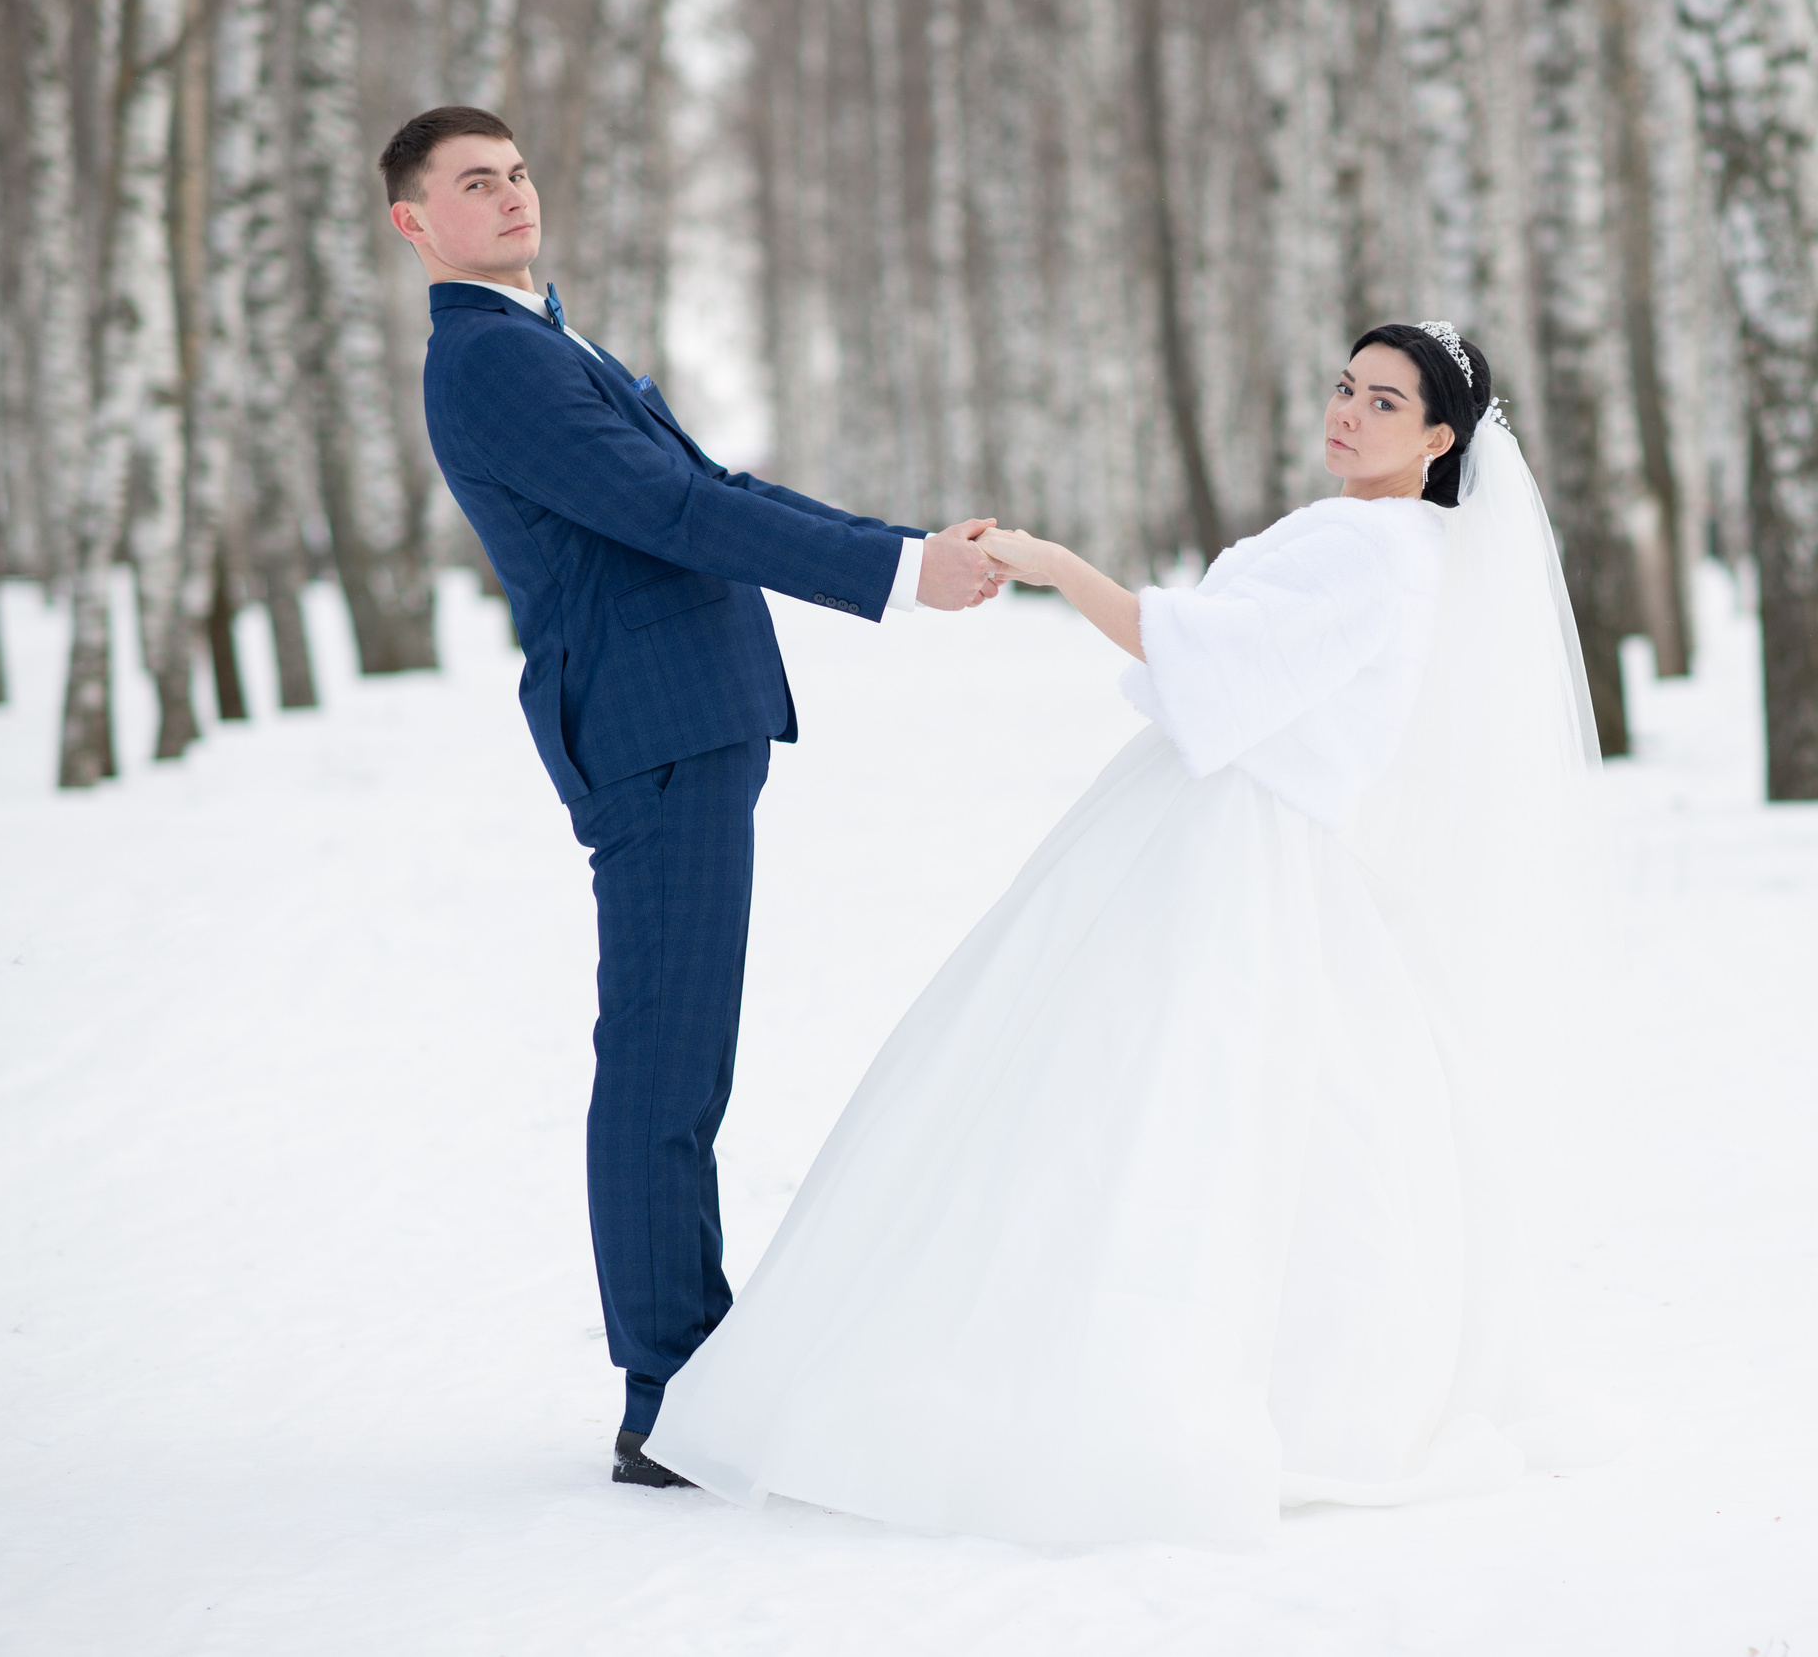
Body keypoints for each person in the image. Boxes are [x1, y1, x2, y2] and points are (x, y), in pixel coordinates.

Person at [643, 322, 1622, 1543]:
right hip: (1229, 818)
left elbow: (1210, 657)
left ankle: (1111, 1384)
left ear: (1438, 440)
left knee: (1150, 1087)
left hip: (1234, 832)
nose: (1347, 413)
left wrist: (1059, 565)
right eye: (1342, 386)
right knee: (1198, 1091)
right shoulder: (1388, 541)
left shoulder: (1373, 546)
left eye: (1384, 403)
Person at [382, 105, 1006, 1486]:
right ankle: (667, 1394)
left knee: (682, 1054)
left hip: (683, 721)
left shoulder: (537, 335)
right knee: (665, 1062)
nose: (510, 195)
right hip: (653, 729)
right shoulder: (491, 362)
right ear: (413, 224)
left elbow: (701, 484)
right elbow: (673, 517)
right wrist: (900, 577)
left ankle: (686, 1371)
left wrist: (897, 547)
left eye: (518, 170)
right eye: (471, 185)